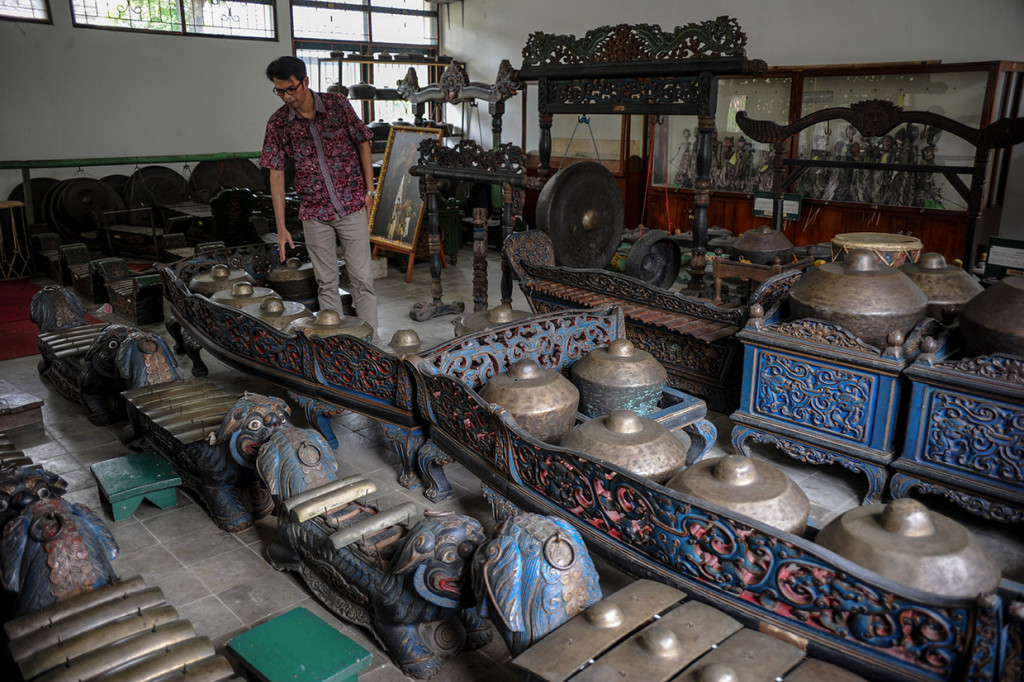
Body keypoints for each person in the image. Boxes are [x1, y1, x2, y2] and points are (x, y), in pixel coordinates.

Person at [259, 56, 379, 335]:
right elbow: (276, 174)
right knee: (326, 283)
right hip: (314, 214)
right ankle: (334, 344)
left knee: (362, 280)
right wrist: (281, 227)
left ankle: (370, 342)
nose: (286, 97)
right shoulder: (278, 123)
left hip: (351, 206)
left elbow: (363, 143)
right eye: (279, 91)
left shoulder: (338, 105)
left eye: (291, 89)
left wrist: (370, 191)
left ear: (305, 82)